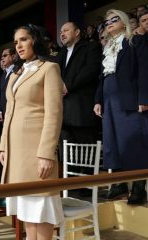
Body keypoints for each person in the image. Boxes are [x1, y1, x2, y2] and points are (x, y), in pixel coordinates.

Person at [0, 24, 64, 240]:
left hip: (37, 151)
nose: (19, 45)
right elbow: (9, 112)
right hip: (16, 153)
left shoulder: (49, 68)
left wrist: (46, 153)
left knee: (41, 208)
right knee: (26, 207)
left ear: (35, 40)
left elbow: (54, 114)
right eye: (16, 41)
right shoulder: (16, 73)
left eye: (24, 39)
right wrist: (3, 147)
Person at [94, 9, 148, 205]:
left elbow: (144, 70)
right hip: (108, 97)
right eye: (107, 21)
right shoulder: (107, 46)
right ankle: (119, 184)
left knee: (132, 141)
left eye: (114, 19)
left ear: (124, 22)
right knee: (112, 141)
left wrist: (144, 98)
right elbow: (102, 76)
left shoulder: (134, 41)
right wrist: (98, 100)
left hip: (128, 98)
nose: (109, 23)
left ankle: (139, 187)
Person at [57, 22, 102, 148]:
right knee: (68, 156)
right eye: (61, 32)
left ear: (77, 32)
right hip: (63, 112)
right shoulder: (61, 53)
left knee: (86, 154)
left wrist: (67, 86)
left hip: (82, 111)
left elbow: (90, 71)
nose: (62, 34)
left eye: (65, 30)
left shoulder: (91, 47)